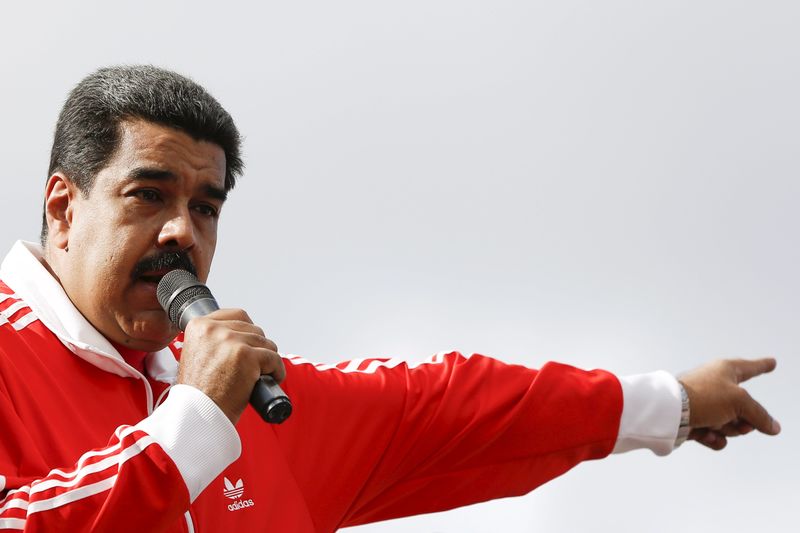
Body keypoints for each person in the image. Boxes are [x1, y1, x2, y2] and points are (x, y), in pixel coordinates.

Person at [0, 65, 780, 532]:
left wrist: (669, 402)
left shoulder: (252, 402)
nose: (182, 231)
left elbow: (455, 406)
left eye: (206, 206)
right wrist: (193, 423)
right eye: (148, 194)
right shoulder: (191, 400)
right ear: (64, 208)